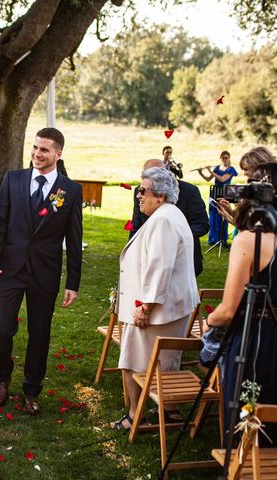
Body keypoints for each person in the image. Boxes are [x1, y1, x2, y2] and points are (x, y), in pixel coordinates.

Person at [0, 127, 83, 415]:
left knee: (40, 333)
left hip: (44, 273)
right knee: (2, 329)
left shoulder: (70, 191)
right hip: (9, 270)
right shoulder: (13, 180)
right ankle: (2, 379)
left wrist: (72, 282)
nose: (37, 154)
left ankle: (31, 390)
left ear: (58, 154)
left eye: (44, 150)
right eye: (35, 148)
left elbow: (74, 240)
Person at [204, 162, 277, 448]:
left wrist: (208, 323)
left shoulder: (249, 240)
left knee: (249, 413)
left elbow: (228, 310)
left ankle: (244, 466)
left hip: (256, 341)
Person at [111, 167, 199, 430]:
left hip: (157, 312)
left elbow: (161, 267)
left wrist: (145, 307)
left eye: (143, 191)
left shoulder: (163, 220)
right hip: (171, 308)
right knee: (166, 362)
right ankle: (169, 411)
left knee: (131, 361)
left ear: (160, 195)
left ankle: (134, 416)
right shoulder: (171, 214)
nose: (139, 196)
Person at [130, 159, 209, 276]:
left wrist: (172, 237)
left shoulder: (190, 191)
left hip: (184, 258)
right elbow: (136, 225)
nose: (140, 194)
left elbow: (202, 225)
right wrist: (132, 254)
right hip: (149, 256)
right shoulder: (140, 191)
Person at [216, 146, 275, 227]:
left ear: (259, 167)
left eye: (246, 169)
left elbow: (255, 231)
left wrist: (230, 218)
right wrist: (230, 212)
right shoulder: (256, 189)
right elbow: (249, 224)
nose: (244, 173)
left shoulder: (269, 193)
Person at [197, 151, 238, 246]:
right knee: (213, 215)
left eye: (226, 158)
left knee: (223, 215)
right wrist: (201, 173)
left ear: (229, 158)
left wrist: (210, 171)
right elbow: (208, 179)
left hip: (224, 193)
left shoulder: (231, 169)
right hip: (215, 192)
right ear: (221, 158)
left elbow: (222, 179)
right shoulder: (217, 168)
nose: (225, 159)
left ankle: (222, 239)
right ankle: (213, 239)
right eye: (223, 158)